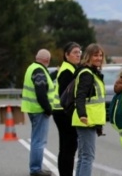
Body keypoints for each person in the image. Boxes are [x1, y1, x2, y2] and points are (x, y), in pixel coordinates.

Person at [71, 43, 106, 176]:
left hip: (90, 120)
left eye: (101, 55)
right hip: (85, 120)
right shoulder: (87, 74)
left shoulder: (93, 73)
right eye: (95, 55)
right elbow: (80, 96)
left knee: (83, 156)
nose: (99, 58)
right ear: (88, 57)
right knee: (88, 157)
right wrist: (82, 115)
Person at [21, 49, 55, 176]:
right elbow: (41, 92)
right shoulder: (39, 71)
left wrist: (55, 73)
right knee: (39, 141)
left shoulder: (33, 68)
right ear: (47, 60)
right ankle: (36, 169)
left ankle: (37, 167)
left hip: (32, 108)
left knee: (37, 140)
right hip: (39, 109)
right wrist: (48, 109)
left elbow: (44, 82)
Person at [52, 42, 82, 176]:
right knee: (68, 148)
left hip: (61, 111)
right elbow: (66, 95)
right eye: (75, 52)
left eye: (79, 52)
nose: (78, 54)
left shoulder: (69, 68)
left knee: (65, 147)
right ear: (66, 55)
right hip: (64, 112)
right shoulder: (67, 71)